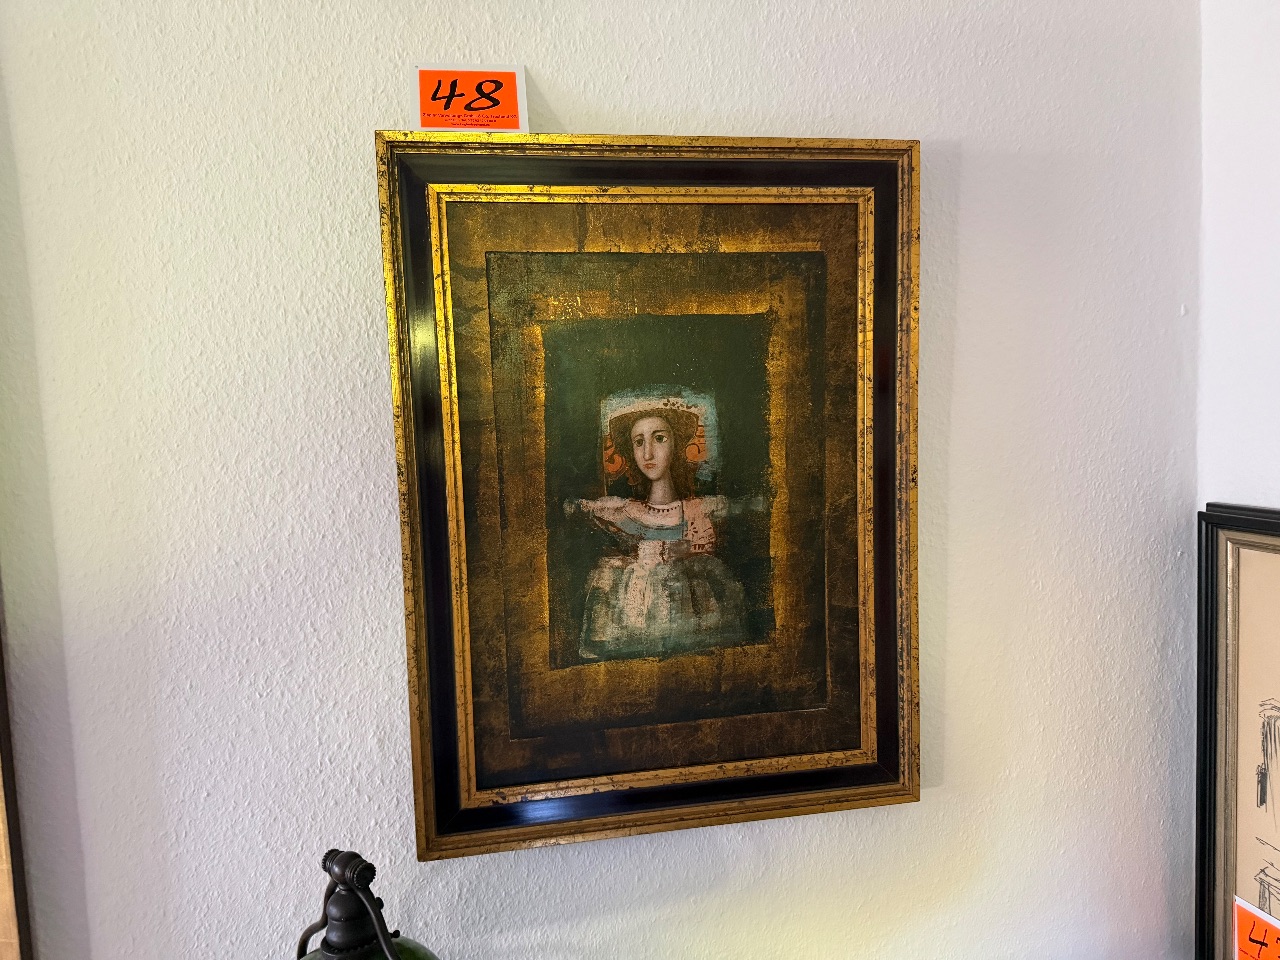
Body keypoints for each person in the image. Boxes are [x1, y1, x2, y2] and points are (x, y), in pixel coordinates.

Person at [564, 399, 754, 661]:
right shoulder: (624, 511)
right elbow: (576, 508)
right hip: (636, 614)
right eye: (638, 442)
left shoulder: (699, 510)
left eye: (659, 438)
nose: (648, 454)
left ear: (677, 444)